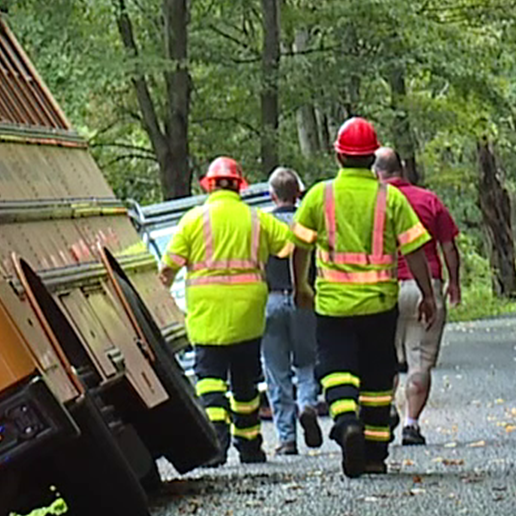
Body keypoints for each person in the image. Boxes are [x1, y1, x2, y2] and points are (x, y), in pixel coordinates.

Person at [291, 118, 439, 478]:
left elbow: (298, 247)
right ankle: (374, 454)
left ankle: (345, 423)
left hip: (333, 305)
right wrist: (427, 293)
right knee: (376, 378)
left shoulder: (319, 195)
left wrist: (301, 287)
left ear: (338, 155)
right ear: (372, 157)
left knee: (335, 369)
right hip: (378, 304)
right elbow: (416, 250)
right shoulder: (390, 198)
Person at [160, 156, 297, 464]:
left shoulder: (194, 220)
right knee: (245, 384)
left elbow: (167, 269)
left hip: (207, 313)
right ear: (240, 186)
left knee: (210, 381)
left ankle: (216, 446)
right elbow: (289, 246)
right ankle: (249, 448)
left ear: (209, 185)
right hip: (248, 313)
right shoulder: (256, 219)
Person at [372, 147, 463, 447]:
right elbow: (449, 246)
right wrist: (453, 283)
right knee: (420, 361)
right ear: (402, 168)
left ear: (377, 172)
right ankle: (411, 423)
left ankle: (384, 411)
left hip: (384, 287)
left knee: (384, 357)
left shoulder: (374, 202)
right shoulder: (428, 200)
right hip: (425, 285)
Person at [260, 167, 323, 456]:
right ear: (298, 193)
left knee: (276, 371)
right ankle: (308, 403)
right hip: (304, 299)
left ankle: (287, 438)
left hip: (271, 300)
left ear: (272, 194)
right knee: (306, 361)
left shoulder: (262, 224)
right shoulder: (308, 222)